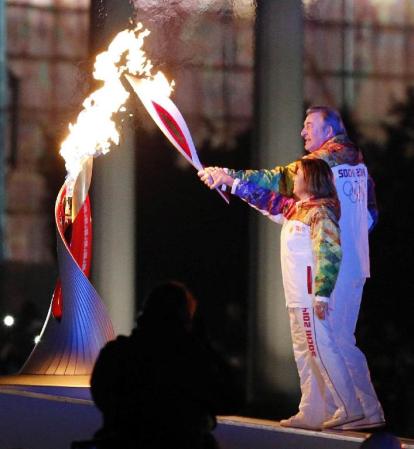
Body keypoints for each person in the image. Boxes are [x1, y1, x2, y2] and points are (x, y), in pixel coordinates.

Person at [198, 106, 384, 430]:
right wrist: (229, 182)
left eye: (310, 125)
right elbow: (274, 199)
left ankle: (350, 407)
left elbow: (275, 179)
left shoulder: (330, 162)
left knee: (325, 341)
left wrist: (229, 173)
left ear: (330, 131)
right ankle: (338, 408)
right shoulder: (352, 169)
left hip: (329, 270)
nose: (303, 132)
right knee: (337, 341)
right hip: (351, 266)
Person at [90, 281, 242, 449]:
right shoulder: (190, 364)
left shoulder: (114, 355)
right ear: (183, 320)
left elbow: (103, 398)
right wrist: (205, 346)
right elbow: (232, 400)